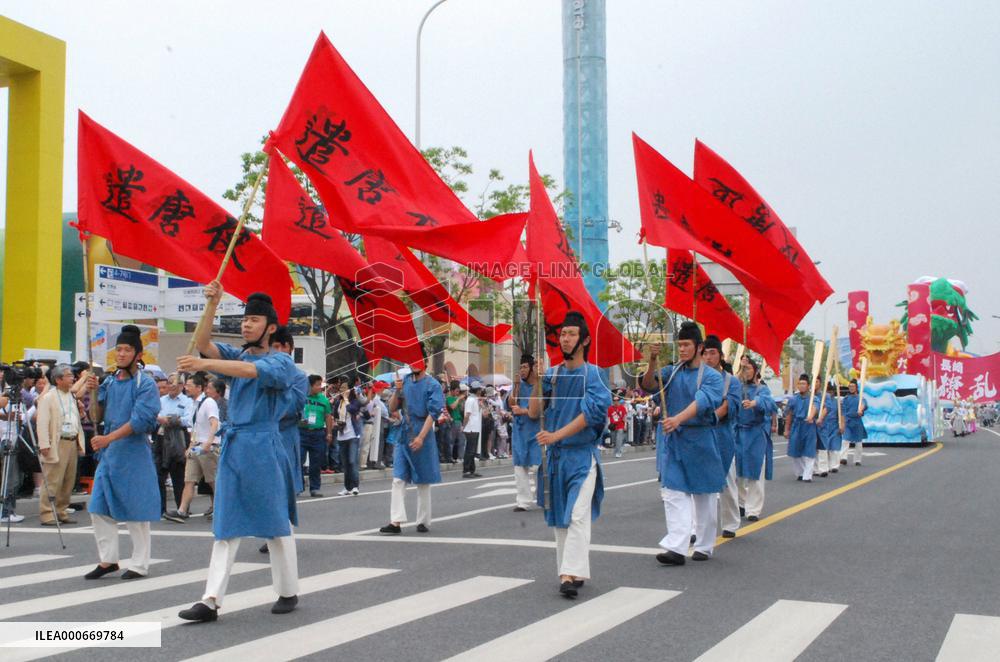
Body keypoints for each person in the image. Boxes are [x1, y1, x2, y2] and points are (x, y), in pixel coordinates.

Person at [177, 287, 300, 622]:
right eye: (245, 319)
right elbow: (204, 343)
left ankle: (288, 590)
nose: (246, 325)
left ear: (271, 328)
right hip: (235, 445)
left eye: (254, 320)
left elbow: (247, 372)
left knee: (276, 523)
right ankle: (210, 600)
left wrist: (204, 363)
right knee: (226, 523)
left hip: (264, 445)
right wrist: (212, 304)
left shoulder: (282, 361)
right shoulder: (239, 355)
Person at [528, 311, 611, 598]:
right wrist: (538, 381)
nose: (565, 339)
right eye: (563, 334)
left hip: (582, 455)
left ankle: (567, 574)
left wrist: (556, 435)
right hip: (555, 458)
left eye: (571, 334)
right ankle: (572, 569)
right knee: (559, 516)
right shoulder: (551, 375)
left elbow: (591, 415)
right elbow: (534, 412)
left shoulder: (595, 374)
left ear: (585, 339)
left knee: (576, 513)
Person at [641, 322, 724, 566]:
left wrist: (677, 419)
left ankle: (705, 545)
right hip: (675, 441)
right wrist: (653, 361)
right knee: (672, 491)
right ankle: (677, 546)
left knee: (704, 497)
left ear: (699, 347)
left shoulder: (712, 376)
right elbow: (649, 385)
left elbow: (703, 401)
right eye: (680, 346)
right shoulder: (672, 371)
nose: (683, 350)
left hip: (701, 440)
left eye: (687, 345)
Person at [84, 325, 161, 580]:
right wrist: (92, 392)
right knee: (98, 506)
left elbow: (140, 421)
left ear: (139, 355)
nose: (121, 354)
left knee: (136, 510)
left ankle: (139, 563)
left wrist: (108, 438)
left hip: (133, 451)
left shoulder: (146, 384)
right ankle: (108, 559)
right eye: (119, 349)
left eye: (127, 350)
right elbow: (96, 415)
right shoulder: (109, 381)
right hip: (109, 453)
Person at [379, 348, 445, 535]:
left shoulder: (433, 385)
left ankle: (423, 520)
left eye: (417, 360)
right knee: (398, 478)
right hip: (404, 432)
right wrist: (397, 390)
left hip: (423, 431)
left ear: (425, 362)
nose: (414, 364)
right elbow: (392, 407)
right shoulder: (404, 381)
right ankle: (395, 521)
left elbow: (433, 414)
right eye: (411, 360)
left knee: (423, 479)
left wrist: (421, 437)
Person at [35, 364, 87, 525]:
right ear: (58, 379)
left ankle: (61, 510)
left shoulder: (71, 396)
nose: (72, 378)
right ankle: (47, 512)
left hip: (71, 440)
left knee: (68, 479)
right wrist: (44, 444)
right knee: (52, 479)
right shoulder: (49, 397)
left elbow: (76, 418)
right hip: (57, 442)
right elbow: (42, 422)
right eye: (69, 376)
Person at [701, 335, 741, 539]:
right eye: (705, 353)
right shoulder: (696, 377)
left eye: (712, 353)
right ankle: (696, 528)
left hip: (722, 435)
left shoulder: (731, 381)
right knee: (698, 483)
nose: (708, 357)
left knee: (727, 481)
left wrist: (710, 417)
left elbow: (728, 406)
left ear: (721, 355)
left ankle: (731, 523)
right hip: (700, 434)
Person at [173, 373, 220, 520]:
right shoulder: (193, 404)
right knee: (189, 480)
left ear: (199, 388)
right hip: (196, 445)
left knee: (213, 481)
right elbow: (195, 428)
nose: (186, 388)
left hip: (209, 446)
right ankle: (181, 511)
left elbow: (215, 423)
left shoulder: (208, 402)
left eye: (189, 385)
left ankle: (220, 510)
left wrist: (208, 442)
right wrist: (190, 446)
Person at [735, 358, 776, 522]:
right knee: (736, 473)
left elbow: (770, 404)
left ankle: (753, 509)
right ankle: (741, 503)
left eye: (749, 368)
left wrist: (754, 403)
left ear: (755, 371)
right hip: (738, 433)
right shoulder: (736, 387)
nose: (746, 371)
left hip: (755, 434)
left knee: (755, 473)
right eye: (743, 368)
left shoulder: (762, 389)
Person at [509, 354, 541, 512]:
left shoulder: (540, 386)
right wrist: (515, 386)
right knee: (519, 467)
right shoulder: (518, 385)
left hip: (536, 430)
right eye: (520, 367)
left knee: (538, 466)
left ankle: (543, 497)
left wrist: (524, 411)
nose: (522, 370)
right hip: (520, 431)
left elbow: (541, 409)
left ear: (533, 368)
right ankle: (523, 501)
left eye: (525, 367)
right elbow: (511, 403)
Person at [159, 373, 192, 522]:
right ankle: (160, 509)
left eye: (175, 383)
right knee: (159, 474)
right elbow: (156, 415)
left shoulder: (187, 401)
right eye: (170, 382)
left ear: (182, 386)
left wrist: (173, 419)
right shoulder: (160, 400)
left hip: (179, 437)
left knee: (179, 474)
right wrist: (164, 419)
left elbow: (188, 419)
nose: (172, 385)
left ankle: (181, 509)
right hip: (161, 436)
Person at [299, 375, 332, 497]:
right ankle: (299, 486)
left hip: (318, 433)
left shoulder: (324, 400)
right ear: (310, 385)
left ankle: (315, 488)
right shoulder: (301, 397)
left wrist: (329, 433)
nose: (320, 387)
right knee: (299, 460)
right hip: (301, 432)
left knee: (316, 463)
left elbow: (328, 416)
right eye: (317, 384)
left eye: (320, 384)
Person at [785, 374, 820, 481]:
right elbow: (789, 414)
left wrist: (811, 416)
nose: (801, 386)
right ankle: (800, 472)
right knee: (795, 451)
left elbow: (815, 407)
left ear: (808, 386)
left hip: (809, 426)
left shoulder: (814, 398)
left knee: (809, 451)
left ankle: (807, 476)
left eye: (804, 384)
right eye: (800, 384)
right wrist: (787, 429)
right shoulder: (793, 399)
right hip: (796, 425)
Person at [335, 383, 363, 496]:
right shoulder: (338, 402)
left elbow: (352, 410)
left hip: (352, 435)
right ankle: (347, 487)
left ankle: (355, 486)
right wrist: (337, 422)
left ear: (350, 390)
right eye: (341, 388)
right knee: (345, 464)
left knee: (352, 461)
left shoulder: (354, 401)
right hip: (341, 435)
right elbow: (335, 415)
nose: (342, 390)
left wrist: (346, 399)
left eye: (345, 388)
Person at [817, 383, 844, 474]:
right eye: (828, 391)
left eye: (831, 391)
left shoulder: (838, 402)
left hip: (834, 426)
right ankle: (825, 466)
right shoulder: (821, 400)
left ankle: (834, 466)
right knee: (825, 447)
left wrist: (841, 425)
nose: (829, 393)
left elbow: (841, 415)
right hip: (824, 425)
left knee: (834, 447)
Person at [841, 379, 868, 465]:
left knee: (858, 443)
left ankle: (857, 460)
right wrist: (843, 422)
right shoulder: (846, 399)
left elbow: (864, 405)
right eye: (850, 386)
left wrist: (861, 410)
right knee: (845, 440)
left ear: (856, 388)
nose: (851, 388)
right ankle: (843, 458)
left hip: (857, 422)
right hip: (848, 421)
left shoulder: (861, 398)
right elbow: (843, 411)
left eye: (853, 386)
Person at [462, 383, 483, 478]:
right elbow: (467, 415)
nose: (481, 391)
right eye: (479, 389)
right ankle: (466, 470)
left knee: (473, 450)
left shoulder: (475, 399)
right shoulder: (470, 400)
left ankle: (472, 470)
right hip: (470, 428)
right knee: (469, 450)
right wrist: (464, 426)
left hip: (475, 427)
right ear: (477, 390)